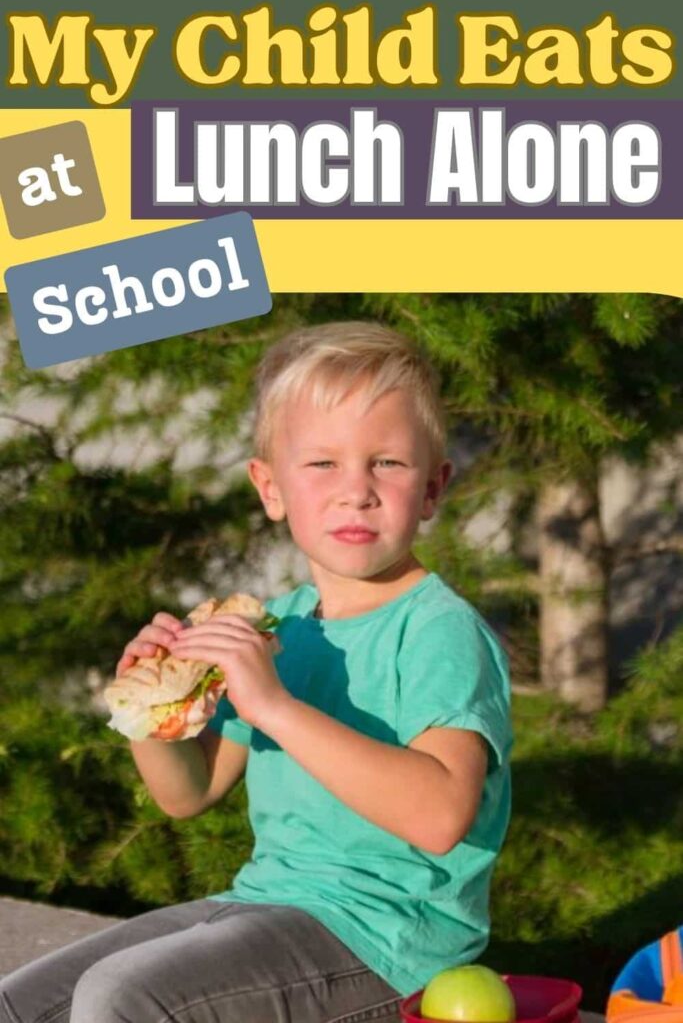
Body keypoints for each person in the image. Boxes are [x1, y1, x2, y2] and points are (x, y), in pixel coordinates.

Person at [0, 322, 513, 1023]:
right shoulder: (279, 625)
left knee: (123, 998)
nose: (355, 491)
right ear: (269, 488)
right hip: (263, 902)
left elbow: (439, 816)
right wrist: (152, 712)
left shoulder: (436, 630)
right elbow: (192, 790)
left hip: (390, 943)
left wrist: (274, 706)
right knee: (21, 1005)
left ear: (431, 489)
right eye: (322, 464)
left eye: (387, 463)